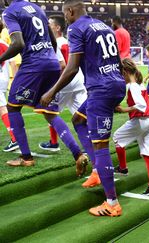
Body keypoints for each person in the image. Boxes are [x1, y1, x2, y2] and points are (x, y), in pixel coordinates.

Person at [40, 0, 126, 217]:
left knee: (101, 145)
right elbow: (117, 60)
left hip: (100, 89)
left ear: (70, 11)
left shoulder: (76, 28)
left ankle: (112, 203)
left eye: (65, 14)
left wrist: (51, 91)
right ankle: (97, 171)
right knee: (78, 119)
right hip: (115, 84)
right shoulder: (104, 26)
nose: (66, 18)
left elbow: (72, 67)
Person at [1, 0, 88, 170]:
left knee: (12, 108)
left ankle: (26, 157)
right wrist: (49, 57)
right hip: (51, 63)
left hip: (32, 65)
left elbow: (18, 44)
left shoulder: (10, 12)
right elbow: (52, 40)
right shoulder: (36, 8)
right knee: (49, 112)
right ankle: (78, 154)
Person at [38, 15, 88, 152]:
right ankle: (90, 143)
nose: (47, 26)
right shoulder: (67, 41)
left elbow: (62, 65)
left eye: (50, 24)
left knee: (49, 111)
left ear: (57, 27)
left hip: (65, 82)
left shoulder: (56, 43)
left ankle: (54, 143)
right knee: (82, 116)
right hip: (78, 80)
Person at [113, 58, 149, 196]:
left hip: (141, 121)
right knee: (147, 152)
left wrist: (124, 110)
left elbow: (141, 105)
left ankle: (123, 168)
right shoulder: (141, 84)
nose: (122, 77)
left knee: (117, 138)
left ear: (126, 72)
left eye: (122, 74)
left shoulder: (133, 86)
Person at [0, 36, 17, 152]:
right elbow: (13, 62)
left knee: (2, 108)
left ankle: (15, 138)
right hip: (4, 79)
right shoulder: (4, 44)